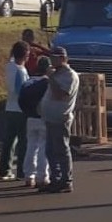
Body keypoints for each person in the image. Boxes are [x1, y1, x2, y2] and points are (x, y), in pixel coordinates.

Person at [39, 47, 80, 193]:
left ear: (63, 58)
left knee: (61, 150)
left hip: (60, 118)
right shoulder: (56, 74)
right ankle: (55, 179)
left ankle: (66, 180)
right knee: (50, 150)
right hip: (50, 117)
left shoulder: (70, 76)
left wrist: (51, 78)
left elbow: (60, 95)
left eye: (55, 58)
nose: (52, 61)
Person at [0, 41, 30, 181]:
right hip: (20, 109)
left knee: (9, 141)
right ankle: (22, 171)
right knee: (23, 142)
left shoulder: (9, 66)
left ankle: (4, 170)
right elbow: (20, 90)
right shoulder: (21, 71)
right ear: (25, 55)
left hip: (9, 107)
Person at [19, 56, 51, 188]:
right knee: (44, 147)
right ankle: (42, 177)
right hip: (43, 118)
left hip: (30, 118)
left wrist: (27, 112)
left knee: (31, 146)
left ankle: (28, 176)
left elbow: (21, 100)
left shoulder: (28, 82)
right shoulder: (47, 83)